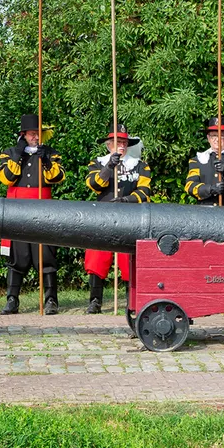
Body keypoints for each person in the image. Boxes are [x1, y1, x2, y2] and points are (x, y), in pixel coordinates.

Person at [0, 113, 66, 315]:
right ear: (23, 134)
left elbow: (58, 178)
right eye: (32, 134)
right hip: (17, 212)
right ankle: (12, 299)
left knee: (46, 257)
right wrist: (19, 154)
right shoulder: (9, 153)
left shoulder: (50, 153)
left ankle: (51, 300)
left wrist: (45, 161)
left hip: (43, 211)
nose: (36, 137)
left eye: (38, 133)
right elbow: (7, 178)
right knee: (18, 258)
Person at [83, 124, 151, 314]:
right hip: (103, 217)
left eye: (123, 142)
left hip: (130, 217)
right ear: (108, 145)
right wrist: (108, 167)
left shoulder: (140, 165)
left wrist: (126, 200)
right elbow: (93, 185)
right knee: (97, 258)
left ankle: (132, 301)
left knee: (128, 260)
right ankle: (95, 301)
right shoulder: (97, 163)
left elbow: (145, 192)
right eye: (116, 142)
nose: (121, 145)